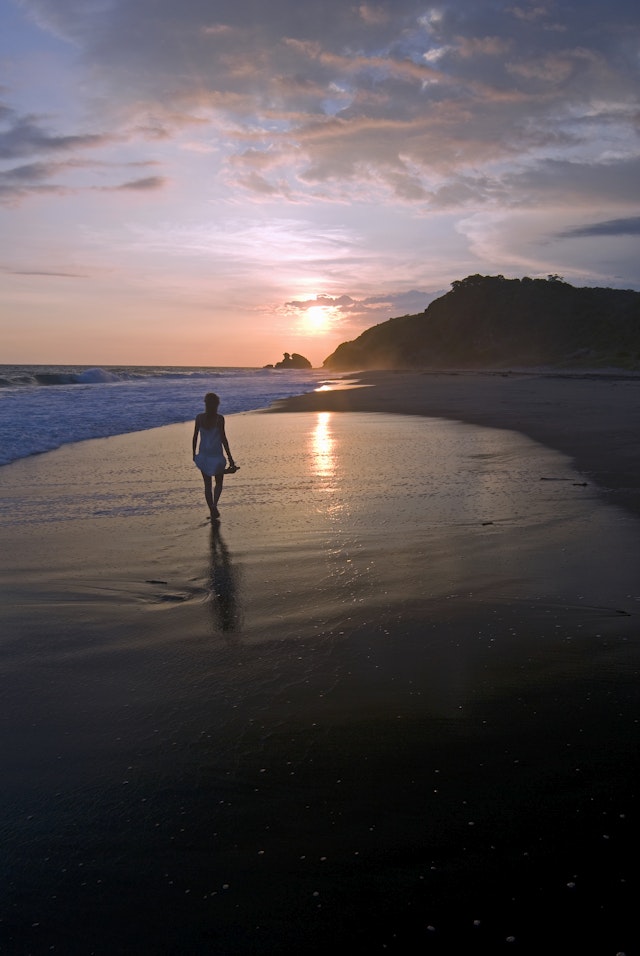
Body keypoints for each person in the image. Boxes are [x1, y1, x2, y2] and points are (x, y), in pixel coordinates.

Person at [192, 392, 236, 520]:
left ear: (205, 403)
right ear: (217, 404)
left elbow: (195, 437)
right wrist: (230, 458)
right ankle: (214, 505)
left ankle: (211, 508)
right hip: (216, 454)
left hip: (204, 454)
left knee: (207, 484)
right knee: (219, 482)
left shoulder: (199, 418)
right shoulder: (219, 419)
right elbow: (223, 439)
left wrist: (193, 454)